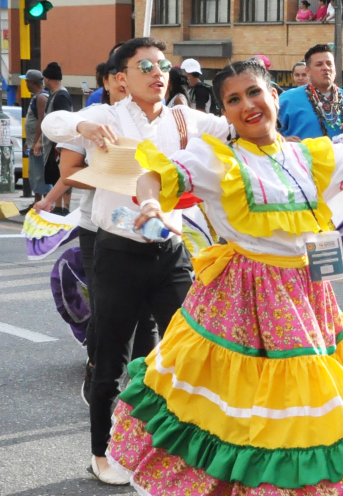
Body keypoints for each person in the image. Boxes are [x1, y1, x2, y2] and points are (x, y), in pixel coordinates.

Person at [100, 58, 343, 495]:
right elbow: (155, 174)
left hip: (309, 297)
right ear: (225, 114)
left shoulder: (307, 154)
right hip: (246, 297)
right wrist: (152, 205)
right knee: (249, 411)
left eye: (254, 92)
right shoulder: (218, 159)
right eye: (233, 100)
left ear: (274, 96)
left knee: (309, 409)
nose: (247, 105)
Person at [38, 37, 233, 485]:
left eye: (162, 64)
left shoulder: (185, 118)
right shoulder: (107, 115)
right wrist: (82, 129)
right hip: (117, 253)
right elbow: (55, 122)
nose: (156, 71)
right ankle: (101, 451)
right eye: (145, 65)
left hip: (172, 253)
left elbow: (231, 129)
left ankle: (178, 446)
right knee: (110, 356)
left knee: (188, 349)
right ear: (121, 78)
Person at [34, 62, 155, 406]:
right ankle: (97, 367)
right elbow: (68, 172)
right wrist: (115, 169)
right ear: (109, 80)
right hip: (98, 226)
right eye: (120, 77)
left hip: (147, 229)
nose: (126, 84)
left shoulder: (155, 122)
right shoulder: (87, 121)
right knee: (108, 309)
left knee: (146, 313)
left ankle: (141, 389)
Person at [278, 44, 343, 140]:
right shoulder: (288, 99)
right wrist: (283, 140)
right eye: (319, 64)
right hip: (300, 154)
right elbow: (265, 132)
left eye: (329, 64)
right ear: (308, 71)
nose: (326, 68)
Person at [43, 62, 74, 214]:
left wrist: (60, 144)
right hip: (53, 142)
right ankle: (58, 206)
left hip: (60, 143)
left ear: (48, 79)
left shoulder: (61, 96)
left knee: (63, 174)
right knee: (55, 174)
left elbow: (64, 120)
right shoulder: (53, 95)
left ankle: (65, 207)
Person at [25, 69, 50, 206]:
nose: (25, 84)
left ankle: (44, 203)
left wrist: (36, 142)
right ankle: (38, 201)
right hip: (32, 143)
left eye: (26, 81)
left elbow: (42, 120)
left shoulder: (41, 97)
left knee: (40, 174)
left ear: (31, 82)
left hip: (38, 145)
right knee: (34, 174)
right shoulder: (37, 97)